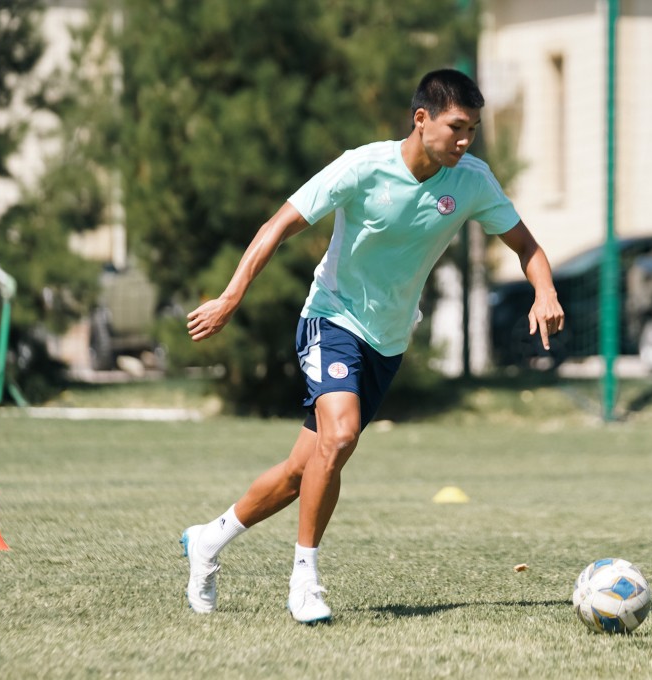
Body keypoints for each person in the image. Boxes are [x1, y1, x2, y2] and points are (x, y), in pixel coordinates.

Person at [180, 69, 565, 623]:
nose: (465, 140)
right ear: (421, 119)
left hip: (388, 340)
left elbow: (526, 244)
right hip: (330, 318)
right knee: (340, 437)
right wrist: (230, 296)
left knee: (301, 469)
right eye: (456, 127)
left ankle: (208, 541)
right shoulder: (362, 167)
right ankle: (305, 579)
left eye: (473, 130)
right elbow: (278, 223)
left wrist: (544, 290)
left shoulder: (472, 181)